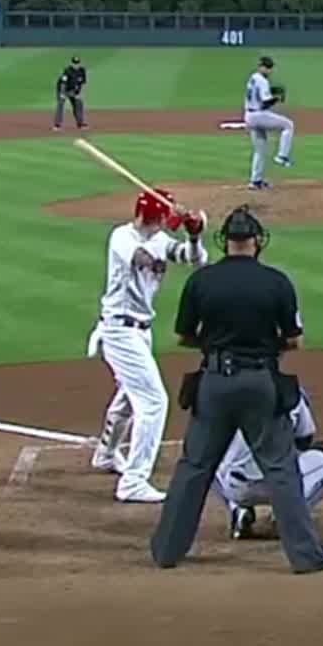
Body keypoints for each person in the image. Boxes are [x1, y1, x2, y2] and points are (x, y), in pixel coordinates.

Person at [152, 206, 323, 573]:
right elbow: (295, 340)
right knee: (281, 469)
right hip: (259, 383)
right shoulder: (276, 282)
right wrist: (265, 346)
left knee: (194, 466)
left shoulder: (202, 281)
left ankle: (166, 551)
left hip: (214, 382)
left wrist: (215, 346)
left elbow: (184, 336)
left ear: (225, 242)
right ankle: (305, 556)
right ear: (256, 241)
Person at [87, 189, 209, 503]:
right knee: (153, 402)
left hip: (140, 331)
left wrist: (194, 236)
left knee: (130, 395)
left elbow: (195, 262)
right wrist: (179, 221)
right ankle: (133, 481)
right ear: (150, 217)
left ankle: (106, 453)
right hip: (119, 330)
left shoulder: (158, 238)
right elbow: (142, 258)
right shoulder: (122, 237)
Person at [213, 388, 323, 540]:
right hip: (281, 484)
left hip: (236, 488)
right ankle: (287, 517)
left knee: (206, 459)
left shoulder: (222, 393)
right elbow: (304, 440)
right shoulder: (290, 390)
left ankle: (238, 510)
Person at [243, 55, 294, 189]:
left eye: (270, 68)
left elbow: (259, 94)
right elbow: (265, 102)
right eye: (268, 68)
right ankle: (282, 156)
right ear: (262, 67)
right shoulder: (263, 81)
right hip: (258, 115)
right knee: (288, 125)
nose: (269, 71)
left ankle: (255, 181)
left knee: (260, 150)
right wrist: (276, 98)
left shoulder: (253, 77)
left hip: (249, 115)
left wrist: (273, 92)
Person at [53, 56, 89, 130]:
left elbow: (82, 83)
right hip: (63, 89)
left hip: (74, 90)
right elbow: (63, 83)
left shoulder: (82, 71)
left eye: (77, 63)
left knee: (79, 103)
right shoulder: (67, 71)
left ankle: (80, 123)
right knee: (61, 104)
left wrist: (79, 93)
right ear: (72, 63)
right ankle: (57, 125)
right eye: (74, 63)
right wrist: (62, 94)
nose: (76, 65)